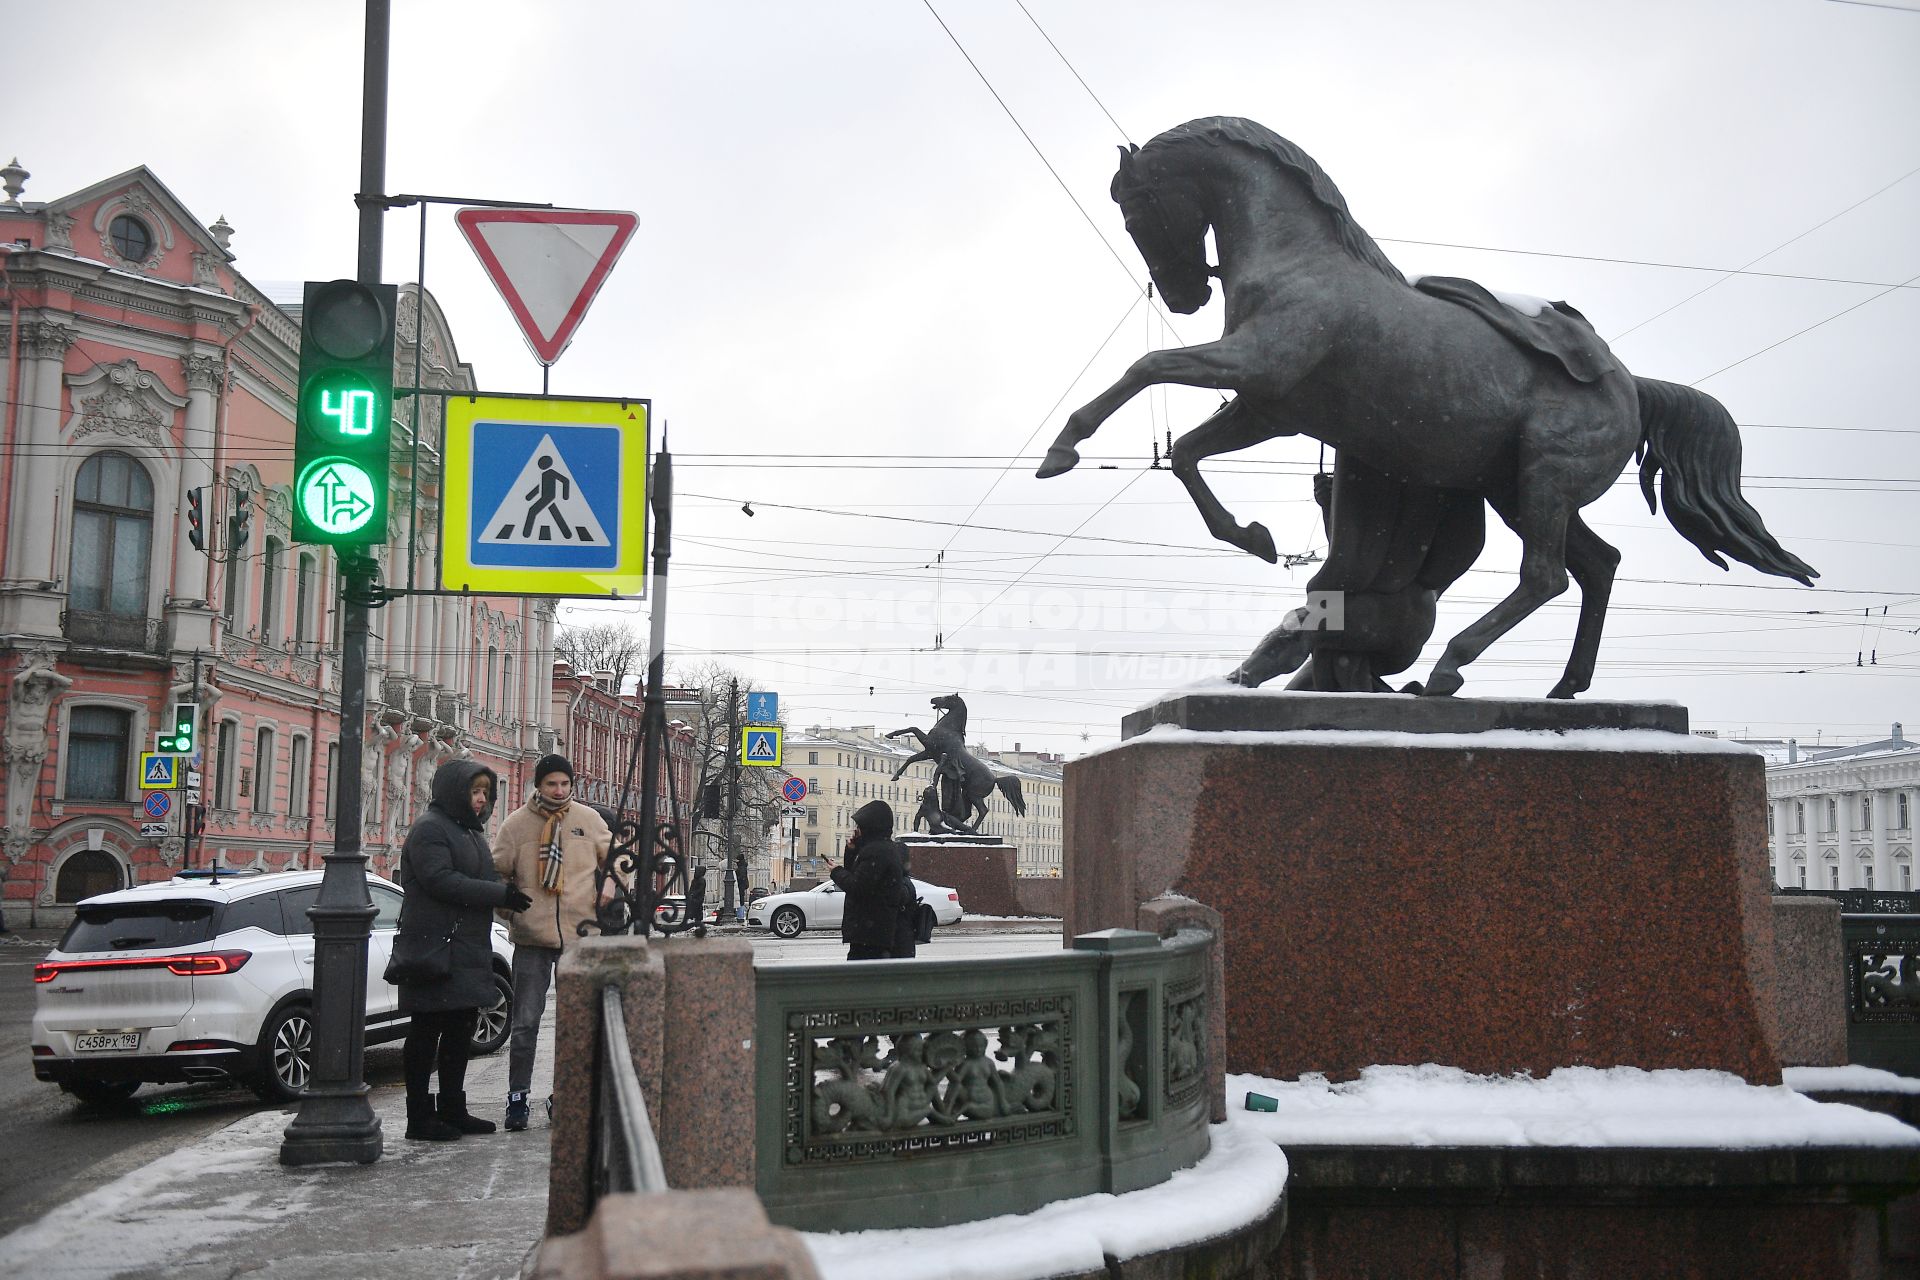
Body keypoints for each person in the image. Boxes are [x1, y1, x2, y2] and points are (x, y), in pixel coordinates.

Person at [395, 759, 531, 1142]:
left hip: (465, 946)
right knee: (426, 1031)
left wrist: (510, 892)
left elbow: (485, 876)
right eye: (475, 791)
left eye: (486, 793)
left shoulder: (469, 832)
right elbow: (441, 881)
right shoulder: (429, 829)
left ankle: (453, 1109)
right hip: (433, 946)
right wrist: (498, 893)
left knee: (460, 1030)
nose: (481, 800)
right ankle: (419, 1117)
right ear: (455, 791)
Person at [493, 753, 614, 1131]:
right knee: (526, 1022)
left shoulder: (588, 820)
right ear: (538, 786)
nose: (559, 791)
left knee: (574, 1021)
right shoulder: (515, 826)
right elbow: (496, 878)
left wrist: (608, 885)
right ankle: (517, 1097)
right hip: (532, 938)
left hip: (580, 936)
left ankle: (565, 1094)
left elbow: (620, 861)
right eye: (551, 784)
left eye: (565, 784)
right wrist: (515, 913)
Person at [829, 800, 916, 960]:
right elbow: (860, 876)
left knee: (861, 979)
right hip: (874, 933)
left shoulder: (876, 852)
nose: (857, 830)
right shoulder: (880, 849)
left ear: (869, 827)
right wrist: (852, 851)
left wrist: (836, 872)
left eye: (860, 826)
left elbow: (857, 886)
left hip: (869, 934)